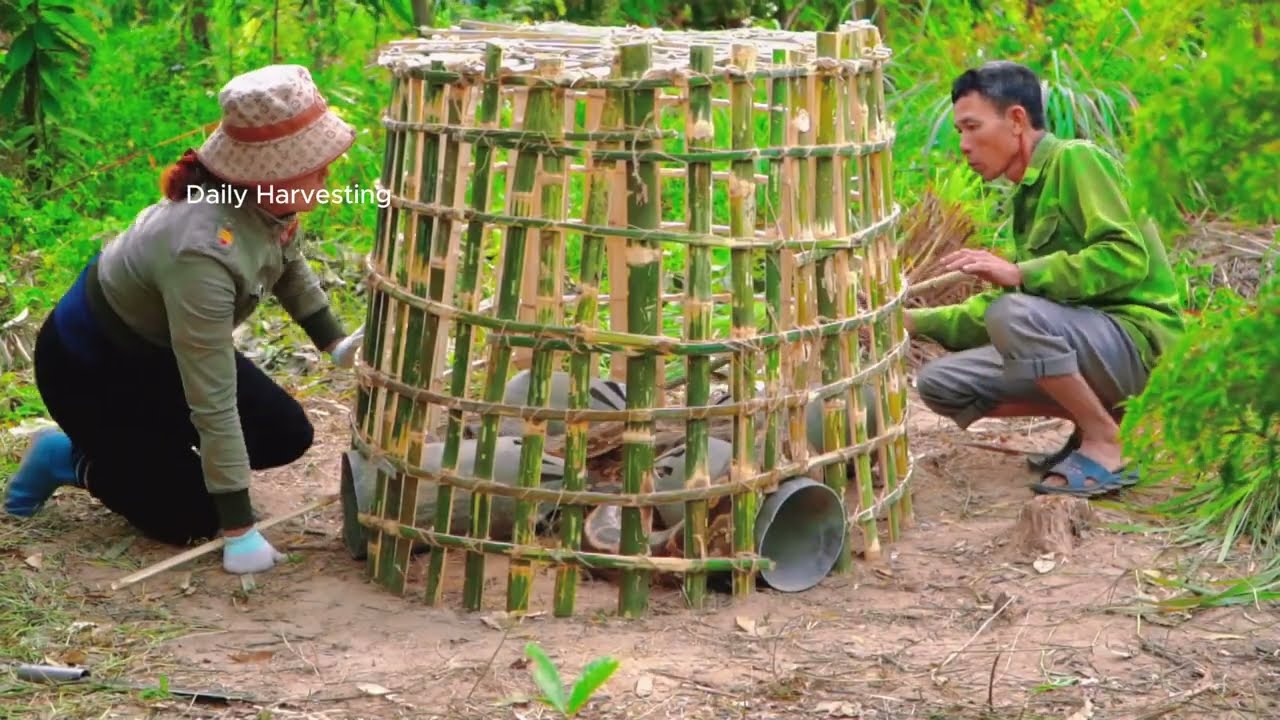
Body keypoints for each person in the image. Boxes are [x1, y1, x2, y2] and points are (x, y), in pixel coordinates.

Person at [3, 64, 366, 574]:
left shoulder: (265, 205)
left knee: (285, 434)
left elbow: (286, 260)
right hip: (92, 368)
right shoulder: (200, 252)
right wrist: (239, 528)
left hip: (163, 349)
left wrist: (333, 341)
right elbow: (212, 399)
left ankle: (152, 453)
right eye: (315, 165)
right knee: (192, 517)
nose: (327, 175)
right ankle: (67, 457)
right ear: (268, 175)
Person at [904, 61, 1184, 497]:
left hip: (1137, 344)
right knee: (940, 384)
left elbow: (1126, 257)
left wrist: (1020, 272)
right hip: (1090, 345)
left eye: (972, 127)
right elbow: (1018, 309)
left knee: (1011, 314)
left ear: (1017, 120)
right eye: (959, 131)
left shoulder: (1076, 159)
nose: (963, 145)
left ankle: (1107, 443)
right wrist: (911, 322)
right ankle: (1096, 422)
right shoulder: (1026, 196)